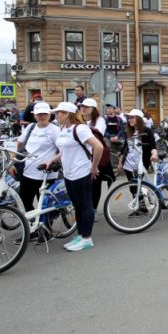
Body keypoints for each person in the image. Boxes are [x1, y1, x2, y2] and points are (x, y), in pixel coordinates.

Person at [42, 102, 103, 252]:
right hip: (68, 174)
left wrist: (93, 167)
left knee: (85, 206)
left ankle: (87, 239)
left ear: (67, 114)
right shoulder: (63, 129)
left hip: (81, 173)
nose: (55, 116)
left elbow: (98, 146)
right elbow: (64, 151)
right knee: (77, 206)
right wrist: (51, 159)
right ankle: (80, 235)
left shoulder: (80, 128)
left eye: (58, 113)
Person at [11, 102, 60, 218]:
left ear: (49, 115)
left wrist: (52, 161)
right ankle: (31, 227)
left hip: (46, 173)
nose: (42, 116)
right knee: (24, 203)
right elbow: (19, 144)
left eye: (44, 114)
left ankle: (46, 231)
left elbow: (63, 150)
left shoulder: (55, 130)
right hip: (28, 172)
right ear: (34, 115)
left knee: (45, 206)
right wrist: (12, 161)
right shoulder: (30, 127)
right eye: (39, 114)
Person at [80, 98, 114, 214]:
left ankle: (93, 209)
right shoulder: (78, 120)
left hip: (95, 156)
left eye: (86, 107)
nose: (83, 109)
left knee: (95, 184)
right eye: (82, 107)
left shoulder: (99, 121)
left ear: (93, 109)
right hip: (80, 157)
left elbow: (96, 134)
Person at [118, 109, 159, 200]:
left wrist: (154, 154)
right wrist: (120, 163)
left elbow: (153, 146)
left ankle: (143, 207)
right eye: (129, 118)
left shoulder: (147, 131)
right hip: (129, 165)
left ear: (139, 119)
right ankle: (139, 207)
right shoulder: (129, 132)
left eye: (132, 117)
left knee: (141, 186)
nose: (129, 120)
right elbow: (124, 148)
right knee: (132, 188)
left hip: (141, 164)